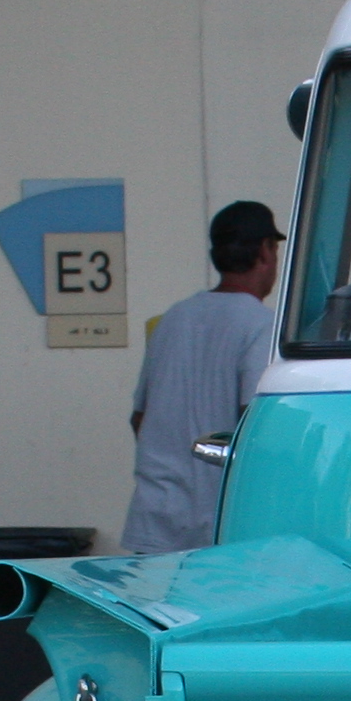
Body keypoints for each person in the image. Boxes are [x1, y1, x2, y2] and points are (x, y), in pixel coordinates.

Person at [121, 201, 285, 554]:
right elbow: (254, 426)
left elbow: (140, 419)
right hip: (219, 525)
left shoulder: (172, 319)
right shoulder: (261, 325)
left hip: (156, 519)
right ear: (264, 251)